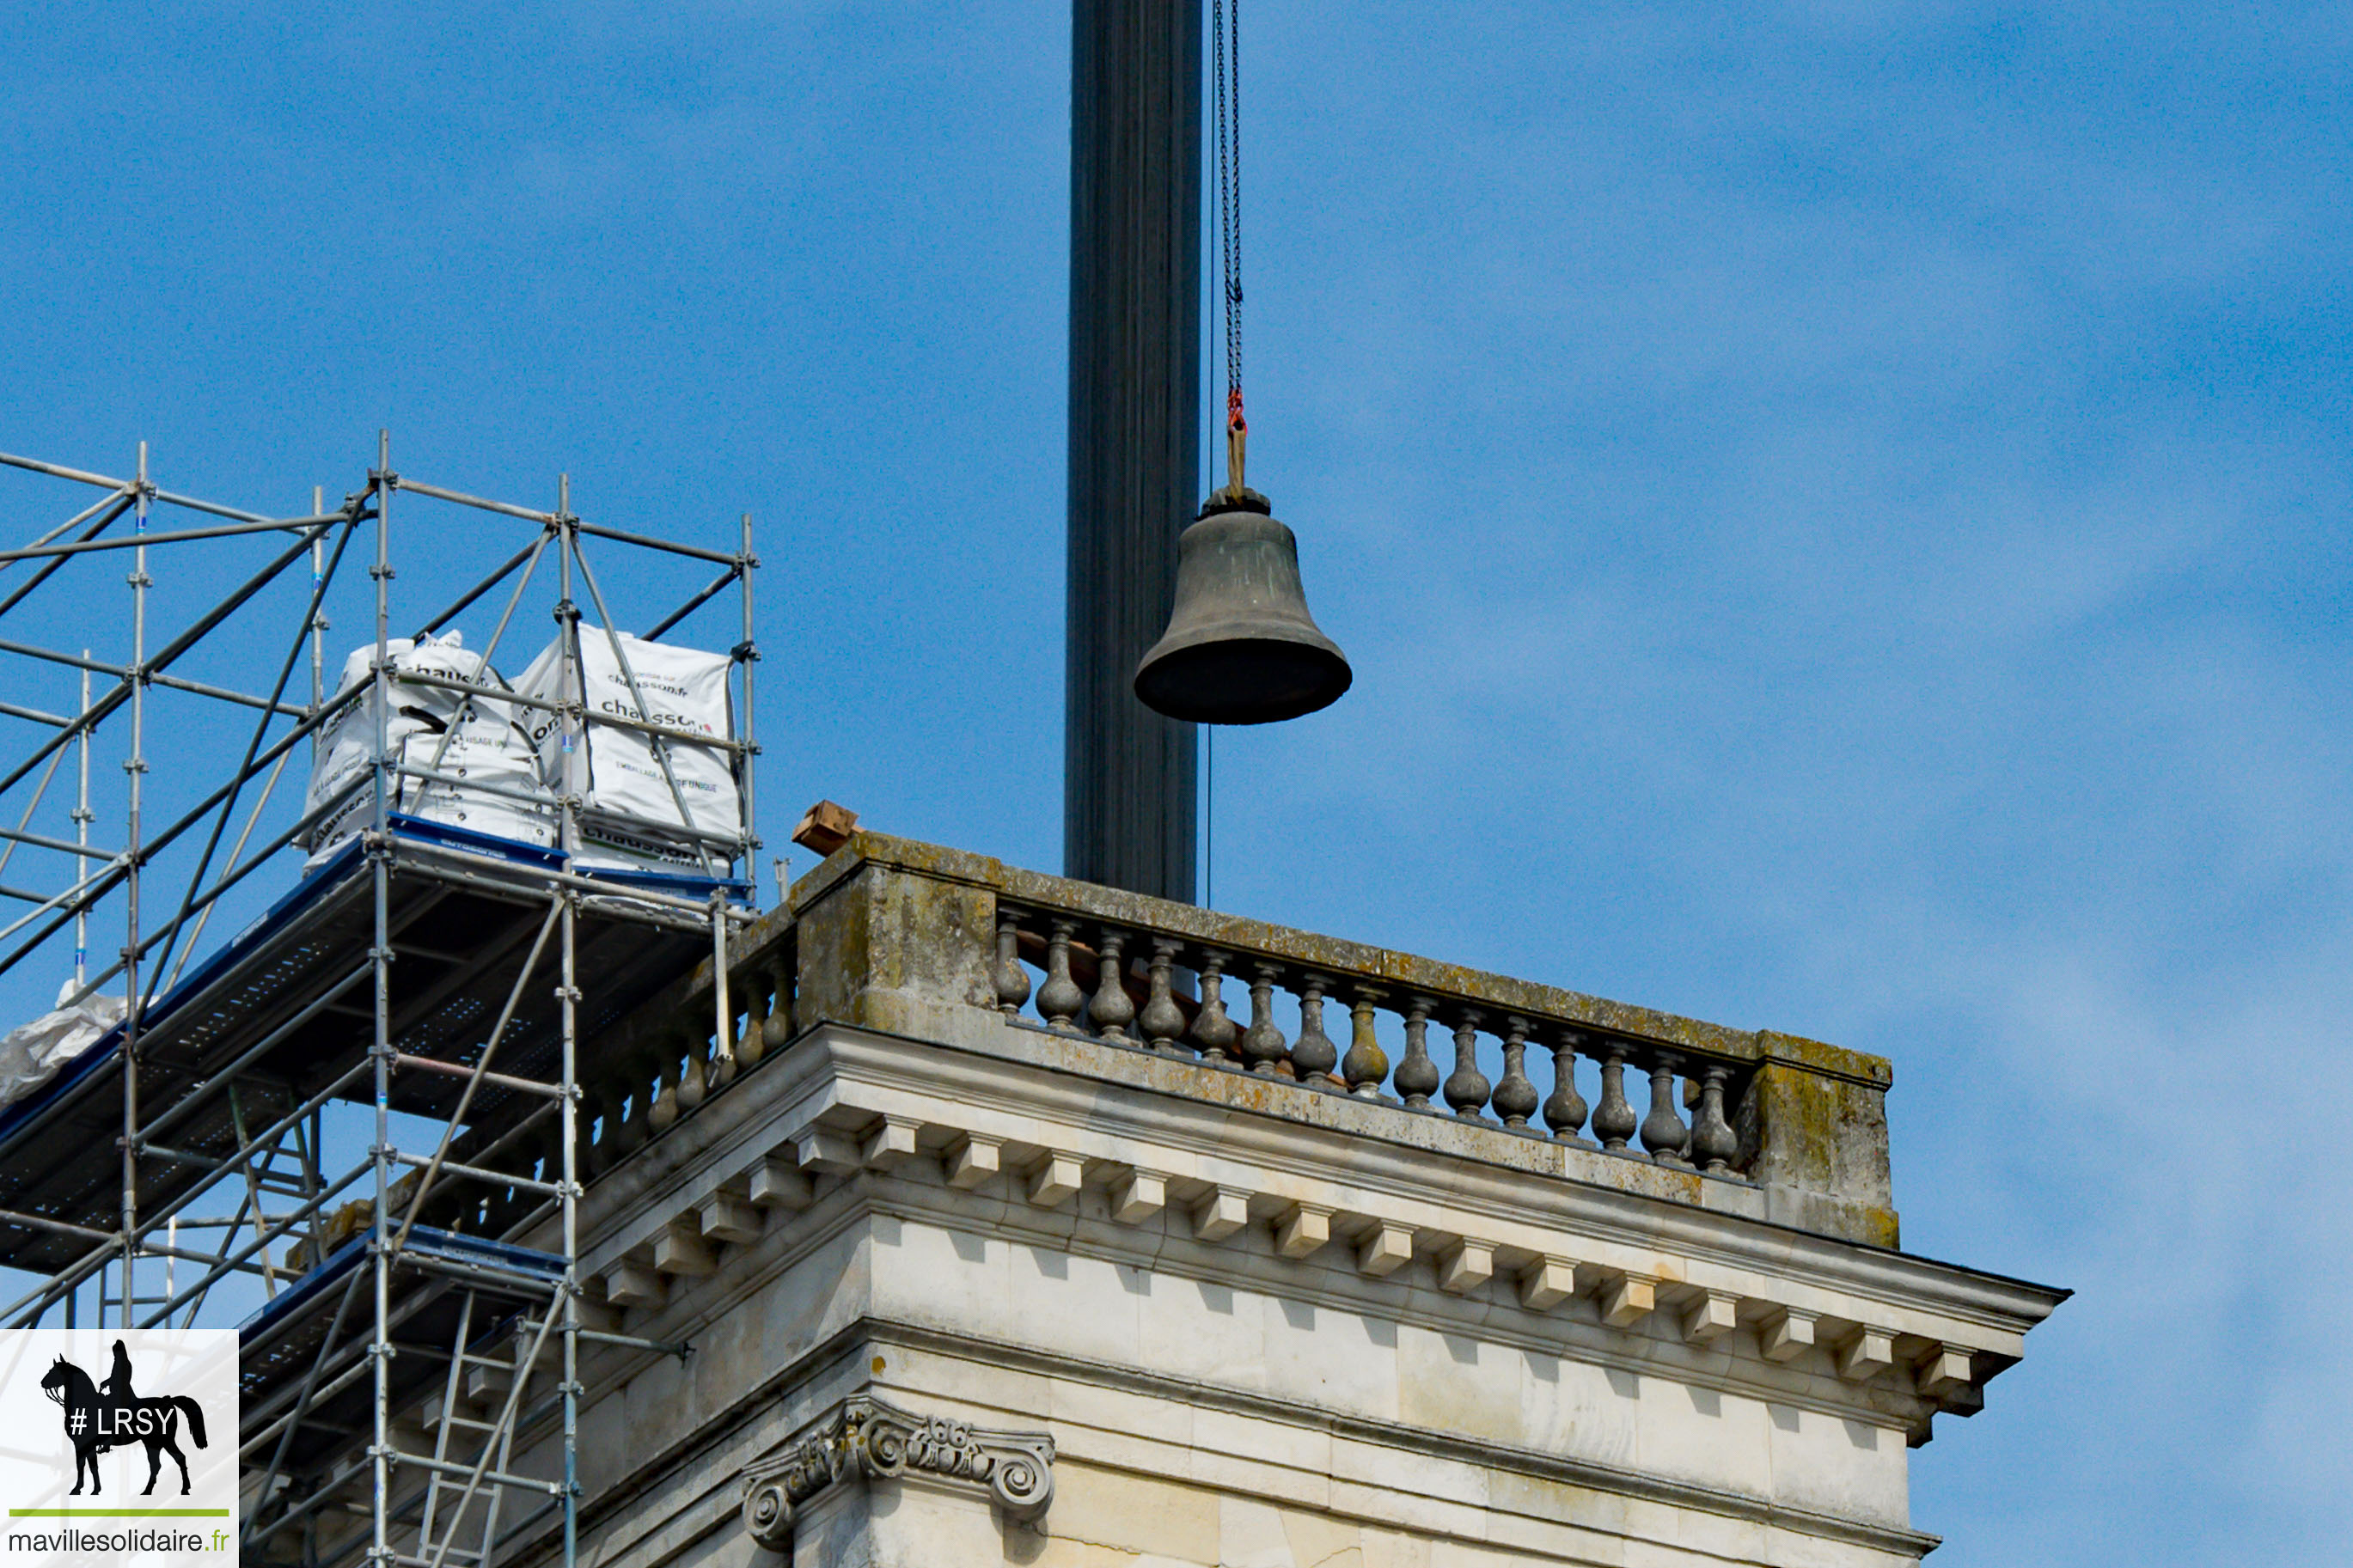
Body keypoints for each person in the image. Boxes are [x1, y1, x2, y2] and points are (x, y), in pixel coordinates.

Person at [101, 1339, 136, 1404]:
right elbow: (114, 1377)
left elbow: (118, 1379)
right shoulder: (118, 1363)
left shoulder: (124, 1364)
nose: (115, 1356)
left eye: (116, 1354)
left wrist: (106, 1382)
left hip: (121, 1396)